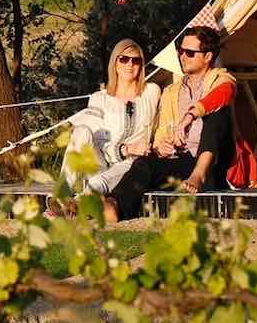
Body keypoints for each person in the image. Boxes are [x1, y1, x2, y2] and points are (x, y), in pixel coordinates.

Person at [106, 26, 236, 222]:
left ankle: (198, 176)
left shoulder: (220, 79)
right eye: (180, 51)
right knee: (144, 164)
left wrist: (191, 115)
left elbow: (225, 92)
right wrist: (161, 148)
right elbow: (160, 135)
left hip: (215, 163)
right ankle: (114, 206)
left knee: (217, 113)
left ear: (208, 56)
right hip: (185, 161)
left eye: (190, 53)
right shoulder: (171, 92)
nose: (182, 56)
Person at [62, 38, 160, 195]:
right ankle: (62, 193)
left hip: (133, 165)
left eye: (136, 60)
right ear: (115, 63)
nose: (130, 64)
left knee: (99, 183)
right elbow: (98, 143)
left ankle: (77, 204)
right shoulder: (99, 98)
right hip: (101, 163)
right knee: (80, 131)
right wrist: (125, 149)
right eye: (124, 59)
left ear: (141, 65)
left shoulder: (152, 92)